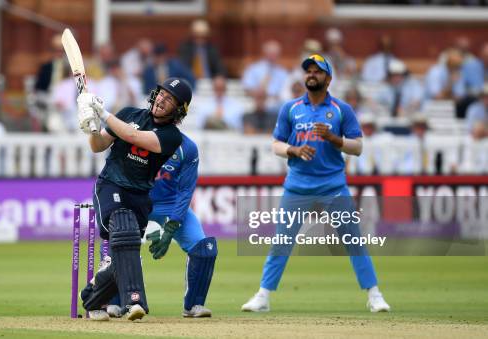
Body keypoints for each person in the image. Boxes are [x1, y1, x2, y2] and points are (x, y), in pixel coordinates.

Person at [241, 54, 391, 313]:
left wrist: (334, 138)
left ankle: (374, 295)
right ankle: (263, 296)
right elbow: (275, 144)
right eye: (308, 71)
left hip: (333, 185)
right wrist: (295, 151)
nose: (311, 75)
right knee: (282, 241)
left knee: (353, 240)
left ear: (328, 78)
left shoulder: (342, 109)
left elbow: (357, 147)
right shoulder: (291, 108)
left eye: (317, 71)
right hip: (297, 185)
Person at [77, 77, 192, 321]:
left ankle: (91, 298)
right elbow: (97, 146)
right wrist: (92, 126)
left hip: (139, 196)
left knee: (124, 252)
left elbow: (134, 137)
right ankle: (134, 302)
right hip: (111, 185)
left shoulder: (172, 136)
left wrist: (103, 112)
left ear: (179, 109)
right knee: (125, 232)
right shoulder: (129, 113)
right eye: (161, 93)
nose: (161, 99)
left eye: (169, 98)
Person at [107, 132, 218, 319]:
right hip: (136, 200)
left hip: (171, 204)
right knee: (122, 246)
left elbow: (186, 191)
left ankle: (193, 305)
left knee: (204, 249)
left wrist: (171, 227)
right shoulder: (136, 134)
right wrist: (147, 228)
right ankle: (116, 301)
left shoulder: (187, 147)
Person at [242, 40, 289, 112]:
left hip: (276, 103)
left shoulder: (282, 72)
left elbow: (286, 91)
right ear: (265, 53)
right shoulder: (253, 69)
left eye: (275, 54)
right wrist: (260, 96)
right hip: (257, 101)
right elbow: (247, 88)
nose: (273, 56)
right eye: (271, 53)